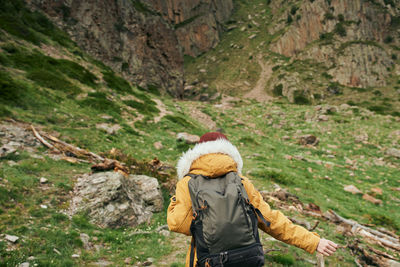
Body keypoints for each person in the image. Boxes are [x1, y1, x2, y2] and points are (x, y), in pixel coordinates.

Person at [167, 132, 337, 266]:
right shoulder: (241, 182)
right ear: (229, 151)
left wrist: (175, 200)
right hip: (246, 258)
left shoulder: (188, 183)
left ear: (196, 153)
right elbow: (271, 221)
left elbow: (178, 224)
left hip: (209, 261)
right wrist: (313, 242)